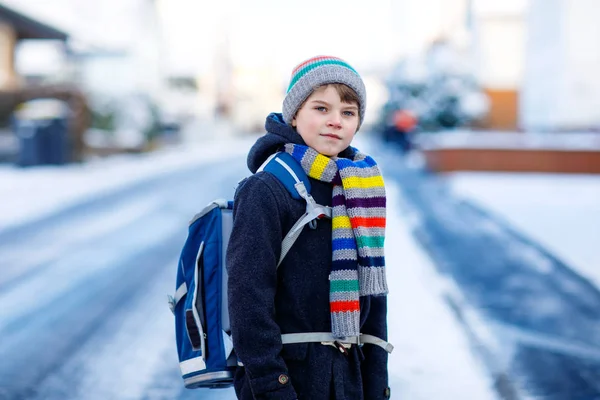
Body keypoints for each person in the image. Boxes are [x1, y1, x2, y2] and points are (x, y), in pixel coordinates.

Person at [226, 55, 390, 400]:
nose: (335, 121)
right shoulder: (267, 189)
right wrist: (273, 386)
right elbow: (247, 298)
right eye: (321, 108)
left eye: (348, 112)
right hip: (289, 378)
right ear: (294, 113)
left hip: (349, 378)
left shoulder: (359, 188)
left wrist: (377, 382)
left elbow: (373, 298)